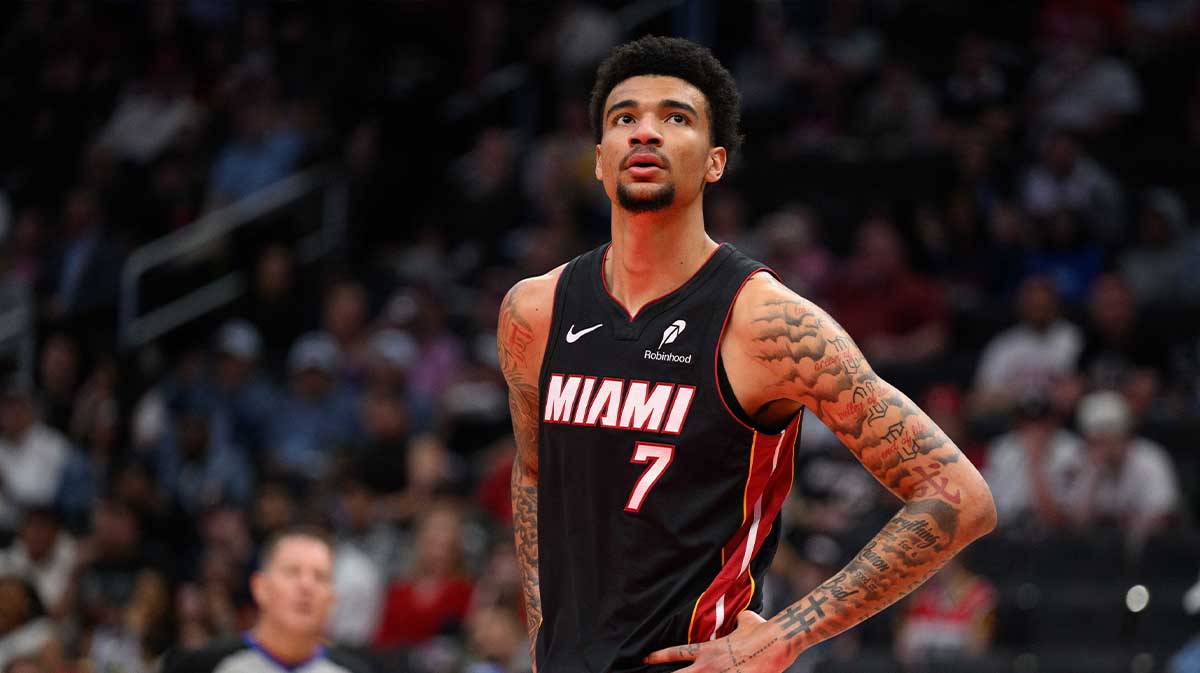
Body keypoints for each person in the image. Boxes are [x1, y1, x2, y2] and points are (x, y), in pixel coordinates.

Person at [497, 36, 997, 673]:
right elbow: (533, 474)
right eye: (625, 118)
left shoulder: (767, 324)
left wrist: (787, 634)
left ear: (714, 163)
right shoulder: (532, 312)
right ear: (599, 160)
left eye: (675, 118)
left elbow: (959, 495)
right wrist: (542, 636)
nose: (645, 133)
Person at [162, 526, 373, 673]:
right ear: (260, 588)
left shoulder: (355, 671)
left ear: (331, 599)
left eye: (320, 577)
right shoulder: (202, 666)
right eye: (292, 572)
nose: (306, 586)